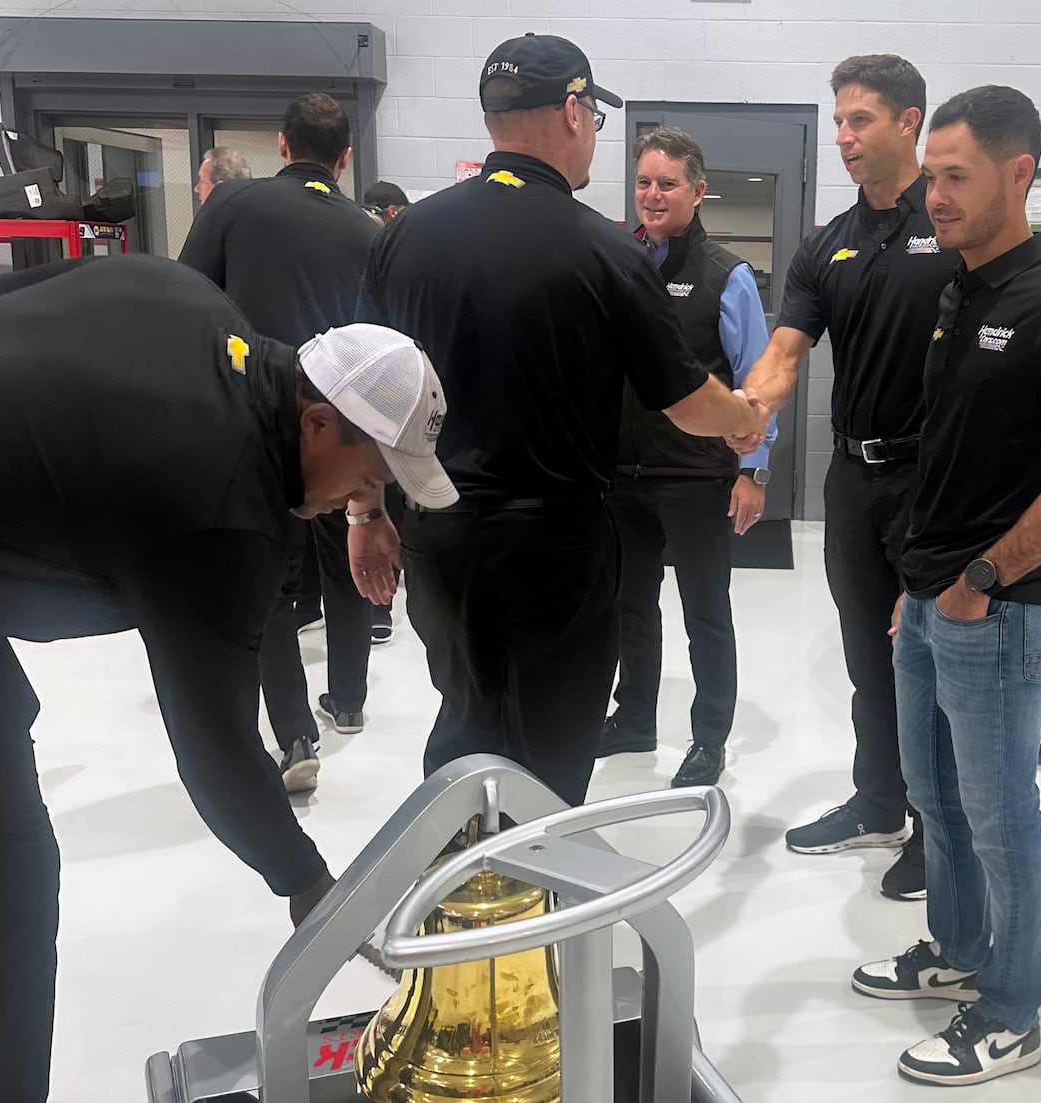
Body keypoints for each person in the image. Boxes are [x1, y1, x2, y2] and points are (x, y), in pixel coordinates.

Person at [0, 254, 458, 1103]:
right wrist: (306, 884)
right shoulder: (222, 503)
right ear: (320, 421)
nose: (361, 500)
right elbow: (214, 751)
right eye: (370, 476)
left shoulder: (200, 307)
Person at [355, 33, 768, 809]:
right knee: (551, 741)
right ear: (574, 112)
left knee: (465, 715)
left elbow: (368, 391)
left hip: (436, 536)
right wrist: (744, 420)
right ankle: (534, 896)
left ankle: (463, 883)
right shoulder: (603, 250)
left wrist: (364, 511)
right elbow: (682, 397)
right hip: (555, 543)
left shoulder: (405, 235)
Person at [849, 86, 1041, 1086]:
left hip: (996, 607)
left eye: (956, 177)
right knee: (937, 799)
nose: (935, 197)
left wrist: (978, 577)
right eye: (931, 178)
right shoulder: (961, 289)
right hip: (933, 591)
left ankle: (1011, 1009)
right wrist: (919, 579)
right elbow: (950, 452)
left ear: (1020, 174)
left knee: (1002, 811)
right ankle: (960, 954)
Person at [741, 55, 958, 901]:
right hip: (852, 481)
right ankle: (878, 802)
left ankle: (941, 835)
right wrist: (744, 413)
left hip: (930, 479)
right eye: (836, 122)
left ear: (909, 123)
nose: (843, 138)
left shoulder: (950, 233)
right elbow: (784, 355)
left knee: (931, 664)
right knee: (870, 656)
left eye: (859, 120)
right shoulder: (827, 244)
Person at [180, 92, 383, 789]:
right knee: (346, 557)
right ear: (345, 156)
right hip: (342, 422)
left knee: (271, 585)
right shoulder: (367, 230)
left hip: (255, 416)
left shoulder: (233, 207)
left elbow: (187, 300)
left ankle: (296, 736)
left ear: (283, 146)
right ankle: (349, 700)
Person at [599, 127, 777, 788]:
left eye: (666, 183)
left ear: (697, 193)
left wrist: (755, 472)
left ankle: (709, 740)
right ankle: (635, 717)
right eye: (644, 182)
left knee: (706, 612)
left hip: (696, 475)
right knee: (630, 605)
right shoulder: (618, 261)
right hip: (622, 473)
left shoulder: (725, 276)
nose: (652, 194)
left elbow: (757, 383)